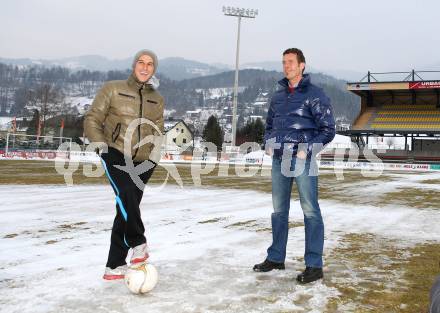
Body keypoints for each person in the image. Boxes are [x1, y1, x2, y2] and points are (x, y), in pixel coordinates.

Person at [253, 48, 335, 284]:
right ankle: (276, 257)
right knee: (279, 211)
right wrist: (267, 142)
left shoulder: (315, 94)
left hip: (302, 160)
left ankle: (314, 265)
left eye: (291, 62)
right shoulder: (278, 97)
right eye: (283, 62)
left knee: (310, 210)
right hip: (279, 159)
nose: (286, 66)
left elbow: (328, 130)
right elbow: (268, 126)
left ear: (302, 66)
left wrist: (306, 149)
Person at [84, 49, 164, 280]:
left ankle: (114, 265)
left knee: (125, 209)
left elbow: (158, 131)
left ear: (154, 70)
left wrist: (154, 158)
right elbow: (92, 118)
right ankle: (139, 243)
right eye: (141, 62)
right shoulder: (113, 88)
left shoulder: (157, 99)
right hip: (116, 153)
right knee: (126, 194)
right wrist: (101, 146)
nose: (145, 67)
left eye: (150, 64)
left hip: (144, 161)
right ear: (134, 65)